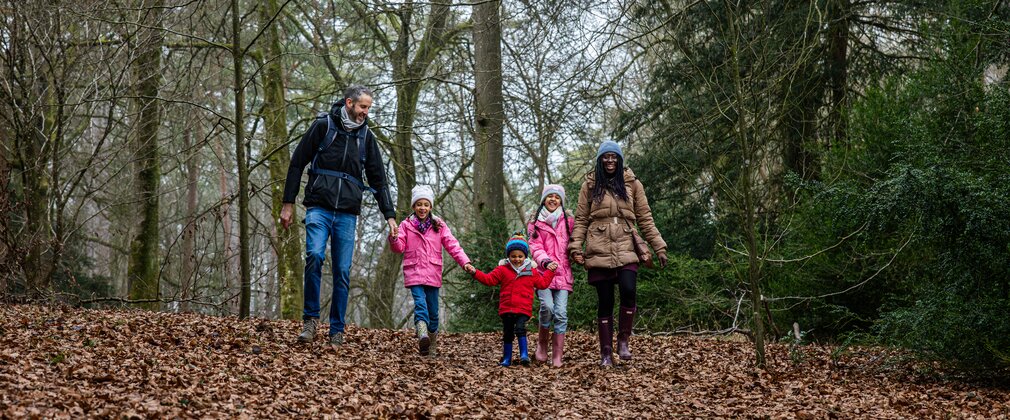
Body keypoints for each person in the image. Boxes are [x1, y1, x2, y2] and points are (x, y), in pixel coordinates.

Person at [280, 85, 397, 346]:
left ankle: (337, 329)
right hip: (318, 207)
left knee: (343, 270)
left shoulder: (366, 137)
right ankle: (310, 321)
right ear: (349, 103)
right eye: (363, 107)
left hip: (347, 213)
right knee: (314, 256)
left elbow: (379, 179)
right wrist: (288, 203)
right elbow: (298, 162)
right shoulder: (323, 126)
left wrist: (389, 215)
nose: (366, 113)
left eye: (368, 108)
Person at [568, 141, 668, 366]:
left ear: (620, 159)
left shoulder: (633, 184)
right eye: (606, 157)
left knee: (629, 290)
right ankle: (605, 353)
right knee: (605, 301)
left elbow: (645, 218)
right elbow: (582, 218)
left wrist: (659, 247)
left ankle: (623, 340)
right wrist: (575, 246)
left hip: (626, 243)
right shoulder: (590, 185)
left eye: (614, 157)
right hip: (598, 246)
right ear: (600, 160)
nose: (610, 160)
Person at [388, 185, 475, 357]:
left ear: (431, 207)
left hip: (433, 273)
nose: (422, 208)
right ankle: (422, 335)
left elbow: (453, 245)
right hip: (414, 273)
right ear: (413, 206)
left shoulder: (439, 225)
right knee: (421, 306)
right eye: (419, 204)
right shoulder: (406, 225)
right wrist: (394, 237)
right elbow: (399, 248)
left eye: (426, 204)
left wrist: (465, 262)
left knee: (433, 313)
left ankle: (431, 344)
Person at [467, 233, 556, 367]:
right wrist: (474, 272)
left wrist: (551, 271)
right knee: (507, 333)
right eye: (513, 256)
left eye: (520, 256)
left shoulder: (531, 271)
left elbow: (543, 284)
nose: (517, 259)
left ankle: (524, 355)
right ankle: (507, 359)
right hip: (507, 308)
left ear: (525, 256)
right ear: (508, 256)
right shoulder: (502, 270)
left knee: (520, 329)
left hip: (523, 308)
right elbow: (489, 280)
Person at [527, 184, 574, 367]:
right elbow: (535, 246)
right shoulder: (535, 222)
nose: (553, 199)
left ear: (561, 200)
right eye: (549, 196)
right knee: (547, 307)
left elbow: (576, 241)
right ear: (544, 200)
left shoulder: (569, 221)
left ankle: (557, 354)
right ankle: (542, 345)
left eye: (557, 196)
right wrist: (545, 261)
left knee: (561, 313)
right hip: (543, 273)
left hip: (563, 274)